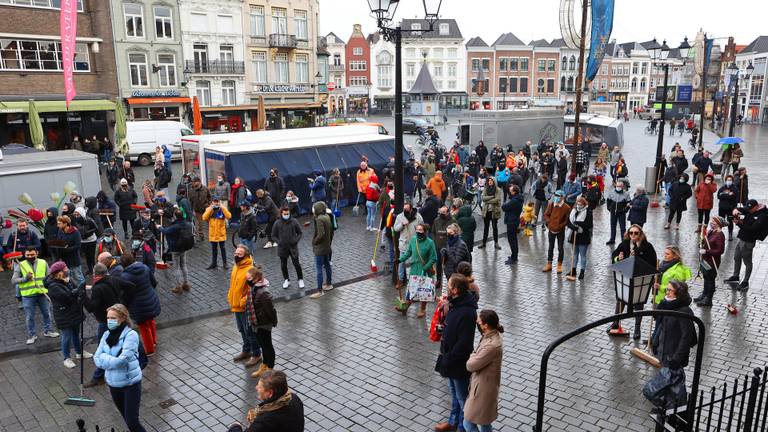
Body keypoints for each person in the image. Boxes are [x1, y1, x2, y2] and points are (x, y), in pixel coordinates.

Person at [93, 304, 148, 432]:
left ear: (123, 318)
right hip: (113, 384)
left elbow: (121, 362)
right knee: (127, 420)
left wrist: (105, 358)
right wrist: (111, 360)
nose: (109, 321)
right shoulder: (106, 334)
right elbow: (96, 358)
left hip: (130, 384)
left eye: (113, 318)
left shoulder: (131, 335)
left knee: (132, 422)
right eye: (108, 318)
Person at [434, 274, 477, 432]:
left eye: (450, 286)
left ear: (456, 290)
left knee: (461, 397)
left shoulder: (467, 312)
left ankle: (463, 427)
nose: (447, 288)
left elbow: (464, 344)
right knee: (454, 394)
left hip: (457, 362)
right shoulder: (456, 303)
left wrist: (449, 358)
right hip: (449, 358)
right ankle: (453, 422)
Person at [649, 280, 697, 413]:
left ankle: (675, 410)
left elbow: (686, 337)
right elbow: (657, 319)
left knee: (675, 383)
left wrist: (677, 357)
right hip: (663, 350)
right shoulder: (667, 304)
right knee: (667, 379)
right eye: (667, 289)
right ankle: (666, 405)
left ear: (679, 293)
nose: (667, 292)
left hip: (674, 354)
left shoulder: (684, 311)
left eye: (670, 290)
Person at [83, 262, 130, 388]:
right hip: (118, 318)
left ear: (96, 274)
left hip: (106, 321)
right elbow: (131, 286)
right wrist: (123, 303)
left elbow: (91, 307)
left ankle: (97, 378)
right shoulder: (114, 279)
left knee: (103, 349)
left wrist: (83, 296)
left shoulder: (98, 288)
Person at [611, 227, 659, 339]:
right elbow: (614, 256)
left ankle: (637, 328)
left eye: (636, 233)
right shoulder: (624, 244)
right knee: (621, 299)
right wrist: (619, 258)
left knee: (639, 303)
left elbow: (651, 263)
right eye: (631, 232)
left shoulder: (647, 246)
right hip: (625, 277)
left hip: (639, 279)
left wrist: (638, 250)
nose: (633, 235)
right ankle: (615, 322)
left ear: (640, 234)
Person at [463, 309, 504, 432]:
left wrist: (472, 355)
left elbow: (470, 366)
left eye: (479, 322)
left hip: (483, 390)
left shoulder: (491, 345)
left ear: (486, 325)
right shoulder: (490, 336)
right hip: (484, 386)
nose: (477, 323)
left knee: (468, 422)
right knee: (485, 422)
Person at [45, 261, 90, 368]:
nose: (67, 270)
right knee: (66, 337)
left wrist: (79, 289)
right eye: (65, 268)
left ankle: (79, 352)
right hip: (64, 315)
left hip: (74, 312)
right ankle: (66, 358)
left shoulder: (66, 280)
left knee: (76, 334)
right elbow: (66, 297)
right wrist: (77, 291)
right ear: (59, 272)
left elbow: (74, 290)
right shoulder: (53, 286)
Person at [228, 370, 304, 432]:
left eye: (260, 387)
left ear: (270, 393)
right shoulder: (294, 398)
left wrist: (236, 427)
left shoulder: (264, 421)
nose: (256, 387)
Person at [12, 247, 58, 345]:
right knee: (29, 317)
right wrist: (25, 279)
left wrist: (49, 286)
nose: (30, 256)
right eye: (28, 255)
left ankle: (48, 331)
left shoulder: (43, 263)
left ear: (37, 253)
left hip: (42, 293)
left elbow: (50, 276)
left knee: (47, 313)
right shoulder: (20, 265)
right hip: (28, 296)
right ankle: (32, 335)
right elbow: (13, 280)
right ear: (25, 255)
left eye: (32, 255)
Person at [119, 253, 161, 356]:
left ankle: (149, 349)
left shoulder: (125, 276)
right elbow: (154, 282)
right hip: (150, 299)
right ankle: (154, 341)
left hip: (138, 305)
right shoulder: (145, 268)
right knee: (150, 321)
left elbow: (126, 295)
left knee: (143, 326)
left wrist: (124, 305)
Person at [228, 244, 262, 368]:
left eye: (239, 254)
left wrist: (242, 302)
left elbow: (252, 289)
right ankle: (246, 350)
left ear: (246, 256)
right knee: (242, 330)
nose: (236, 255)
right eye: (235, 253)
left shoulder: (250, 270)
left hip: (245, 307)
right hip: (236, 305)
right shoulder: (235, 267)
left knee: (250, 332)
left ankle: (256, 354)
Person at [725, 200, 768, 291]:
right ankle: (736, 276)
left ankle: (745, 281)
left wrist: (739, 223)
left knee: (747, 262)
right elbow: (741, 209)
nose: (748, 210)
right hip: (741, 238)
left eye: (750, 209)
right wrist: (735, 210)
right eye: (748, 208)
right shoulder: (750, 209)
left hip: (749, 241)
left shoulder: (762, 216)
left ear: (756, 207)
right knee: (736, 257)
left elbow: (752, 229)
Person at [245, 266, 278, 378]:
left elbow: (271, 310)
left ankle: (270, 367)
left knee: (267, 345)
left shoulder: (263, 292)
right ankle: (265, 365)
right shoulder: (254, 288)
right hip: (256, 323)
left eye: (248, 278)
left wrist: (274, 321)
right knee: (263, 345)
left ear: (255, 279)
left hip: (264, 323)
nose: (247, 280)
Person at [398, 223, 436, 318]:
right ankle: (406, 306)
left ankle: (422, 309)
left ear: (425, 231)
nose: (418, 232)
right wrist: (400, 259)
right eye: (417, 230)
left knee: (424, 290)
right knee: (412, 288)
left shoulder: (430, 243)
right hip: (414, 268)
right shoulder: (413, 240)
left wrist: (426, 267)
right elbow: (408, 252)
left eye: (421, 230)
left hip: (425, 270)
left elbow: (433, 258)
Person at [158, 210, 193, 294]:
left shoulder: (176, 226)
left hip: (175, 248)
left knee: (176, 267)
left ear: (175, 216)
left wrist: (159, 227)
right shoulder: (188, 224)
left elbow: (165, 231)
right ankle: (186, 283)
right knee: (184, 265)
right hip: (184, 247)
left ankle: (178, 286)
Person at [694, 217, 726, 307]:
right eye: (711, 221)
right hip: (705, 260)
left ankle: (708, 299)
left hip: (712, 262)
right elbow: (706, 242)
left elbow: (720, 250)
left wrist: (706, 251)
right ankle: (704, 294)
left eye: (713, 221)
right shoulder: (711, 231)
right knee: (705, 277)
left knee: (710, 280)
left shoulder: (720, 235)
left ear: (718, 224)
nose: (711, 223)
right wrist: (701, 244)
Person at [271, 207, 304, 289]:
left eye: (288, 214)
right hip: (282, 248)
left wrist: (295, 240)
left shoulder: (294, 221)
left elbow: (300, 233)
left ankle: (300, 279)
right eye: (285, 214)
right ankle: (286, 280)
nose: (286, 215)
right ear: (281, 214)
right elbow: (273, 235)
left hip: (293, 247)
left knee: (296, 264)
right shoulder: (277, 223)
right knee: (283, 265)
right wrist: (279, 242)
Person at [564, 196, 593, 281]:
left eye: (580, 204)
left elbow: (589, 224)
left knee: (582, 255)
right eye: (577, 203)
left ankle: (582, 272)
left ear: (584, 204)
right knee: (574, 254)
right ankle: (573, 270)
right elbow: (569, 222)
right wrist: (574, 227)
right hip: (574, 234)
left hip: (583, 236)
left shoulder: (588, 211)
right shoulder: (574, 210)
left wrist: (579, 224)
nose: (578, 205)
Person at [309, 202, 334, 299]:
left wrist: (314, 242)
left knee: (319, 269)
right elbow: (330, 231)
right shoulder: (327, 216)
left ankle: (320, 290)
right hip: (327, 246)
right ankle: (329, 284)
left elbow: (321, 234)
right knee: (327, 265)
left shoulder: (319, 219)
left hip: (320, 248)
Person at [543, 190, 571, 273]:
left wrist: (560, 226)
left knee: (560, 248)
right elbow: (546, 214)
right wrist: (549, 222)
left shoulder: (566, 207)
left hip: (560, 230)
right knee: (550, 247)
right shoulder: (551, 204)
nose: (556, 197)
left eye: (558, 196)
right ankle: (549, 264)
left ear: (562, 197)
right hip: (551, 229)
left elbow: (567, 220)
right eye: (555, 195)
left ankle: (559, 265)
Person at [55, 215, 85, 287]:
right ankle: (75, 292)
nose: (57, 225)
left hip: (74, 260)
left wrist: (67, 249)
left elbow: (78, 246)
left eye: (59, 223)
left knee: (78, 277)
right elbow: (59, 241)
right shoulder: (60, 231)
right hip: (65, 259)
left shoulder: (75, 232)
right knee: (69, 277)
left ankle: (83, 291)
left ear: (65, 224)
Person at [203, 198, 231, 270]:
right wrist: (211, 209)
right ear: (212, 202)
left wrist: (222, 207)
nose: (216, 203)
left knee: (223, 249)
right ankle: (214, 263)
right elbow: (204, 217)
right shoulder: (209, 209)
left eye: (217, 202)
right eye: (214, 202)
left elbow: (229, 216)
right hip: (213, 233)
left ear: (219, 202)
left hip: (221, 233)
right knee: (214, 249)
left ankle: (225, 263)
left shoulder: (222, 208)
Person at [501, 185, 524, 264]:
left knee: (512, 240)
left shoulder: (514, 201)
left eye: (510, 191)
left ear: (514, 192)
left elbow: (504, 207)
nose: (509, 192)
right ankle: (514, 255)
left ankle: (514, 258)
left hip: (511, 221)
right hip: (514, 220)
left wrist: (506, 202)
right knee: (514, 239)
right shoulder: (517, 198)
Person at [479, 177, 502, 250]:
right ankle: (484, 242)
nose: (490, 182)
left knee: (495, 227)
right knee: (486, 227)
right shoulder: (486, 188)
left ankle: (496, 243)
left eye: (491, 181)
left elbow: (496, 200)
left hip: (494, 211)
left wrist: (487, 200)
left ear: (494, 182)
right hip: (486, 211)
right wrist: (491, 197)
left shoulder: (498, 190)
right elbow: (483, 198)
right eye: (489, 180)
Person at [188, 176, 212, 241]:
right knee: (199, 224)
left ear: (198, 182)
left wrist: (209, 204)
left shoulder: (205, 188)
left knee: (210, 222)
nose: (192, 183)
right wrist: (191, 209)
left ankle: (213, 234)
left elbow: (210, 196)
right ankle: (201, 236)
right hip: (197, 210)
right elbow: (190, 201)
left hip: (206, 208)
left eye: (193, 182)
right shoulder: (191, 190)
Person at [717, 175, 739, 240]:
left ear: (732, 181)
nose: (729, 181)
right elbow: (718, 196)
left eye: (730, 180)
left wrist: (723, 195)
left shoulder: (735, 188)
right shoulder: (722, 188)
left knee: (730, 221)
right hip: (722, 208)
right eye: (728, 180)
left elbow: (734, 198)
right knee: (720, 221)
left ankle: (730, 234)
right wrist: (728, 195)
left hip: (730, 208)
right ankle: (718, 234)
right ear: (726, 180)